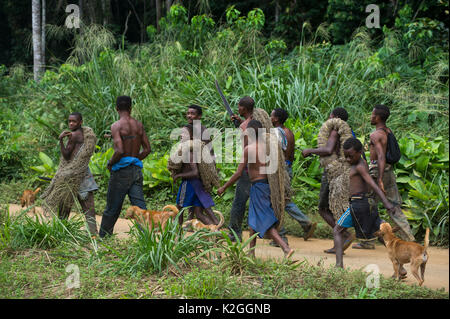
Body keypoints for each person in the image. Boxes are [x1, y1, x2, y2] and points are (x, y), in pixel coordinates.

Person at [218, 120, 294, 258]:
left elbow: (238, 173)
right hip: (266, 186)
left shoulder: (250, 149)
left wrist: (224, 187)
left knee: (265, 223)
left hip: (258, 187)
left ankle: (285, 248)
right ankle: (251, 253)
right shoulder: (267, 147)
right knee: (253, 222)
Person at [301, 107, 355, 253]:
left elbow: (329, 149)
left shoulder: (334, 131)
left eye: (330, 115)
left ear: (335, 117)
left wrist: (309, 151)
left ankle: (344, 234)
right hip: (341, 171)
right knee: (334, 207)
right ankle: (341, 238)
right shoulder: (346, 131)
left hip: (333, 171)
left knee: (323, 208)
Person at [334, 137, 394, 268]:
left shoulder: (360, 166)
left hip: (358, 204)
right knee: (381, 235)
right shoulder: (360, 163)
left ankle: (338, 265)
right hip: (367, 203)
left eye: (351, 156)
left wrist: (386, 203)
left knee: (337, 230)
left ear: (360, 152)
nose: (348, 159)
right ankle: (400, 268)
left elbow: (372, 184)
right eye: (346, 157)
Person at [99, 96, 152, 238]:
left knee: (112, 207)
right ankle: (147, 239)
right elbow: (147, 149)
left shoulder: (116, 126)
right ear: (130, 108)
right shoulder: (138, 125)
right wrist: (133, 159)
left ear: (116, 108)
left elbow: (120, 150)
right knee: (140, 208)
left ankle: (104, 238)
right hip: (136, 170)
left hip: (121, 172)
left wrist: (110, 163)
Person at [367, 104, 415, 243]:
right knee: (394, 207)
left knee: (367, 204)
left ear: (377, 117)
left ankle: (367, 239)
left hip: (377, 171)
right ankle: (410, 239)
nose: (371, 116)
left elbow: (381, 156)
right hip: (388, 170)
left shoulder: (376, 135)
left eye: (372, 114)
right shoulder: (388, 131)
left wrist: (379, 179)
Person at [270, 108, 317, 245]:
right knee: (284, 200)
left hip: (279, 170)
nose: (270, 118)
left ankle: (281, 236)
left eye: (271, 116)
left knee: (276, 202)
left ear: (276, 119)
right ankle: (305, 222)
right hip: (287, 168)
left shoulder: (276, 132)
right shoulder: (288, 132)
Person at [56, 112, 98, 235]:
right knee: (88, 206)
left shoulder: (74, 135)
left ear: (80, 122)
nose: (71, 123)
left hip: (73, 175)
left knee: (64, 205)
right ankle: (93, 234)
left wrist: (61, 141)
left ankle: (60, 231)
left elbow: (66, 154)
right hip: (84, 173)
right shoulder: (84, 134)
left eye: (74, 121)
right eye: (69, 121)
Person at [173, 124, 219, 226]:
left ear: (192, 137)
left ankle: (178, 233)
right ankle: (217, 230)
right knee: (199, 214)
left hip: (190, 184)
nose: (181, 135)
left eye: (184, 133)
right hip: (199, 185)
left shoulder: (189, 151)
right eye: (181, 133)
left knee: (179, 207)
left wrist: (179, 175)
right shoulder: (194, 149)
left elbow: (195, 172)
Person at [226, 96, 255, 241]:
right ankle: (278, 235)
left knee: (239, 202)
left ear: (243, 108)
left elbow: (246, 147)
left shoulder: (245, 126)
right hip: (259, 169)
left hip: (247, 170)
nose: (237, 108)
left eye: (239, 106)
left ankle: (234, 232)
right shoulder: (256, 122)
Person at [180, 105, 215, 221]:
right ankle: (215, 228)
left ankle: (177, 234)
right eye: (188, 113)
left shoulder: (195, 130)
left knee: (182, 206)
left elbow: (208, 152)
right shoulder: (199, 129)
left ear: (199, 116)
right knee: (199, 210)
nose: (189, 115)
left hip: (194, 174)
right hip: (199, 174)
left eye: (192, 113)